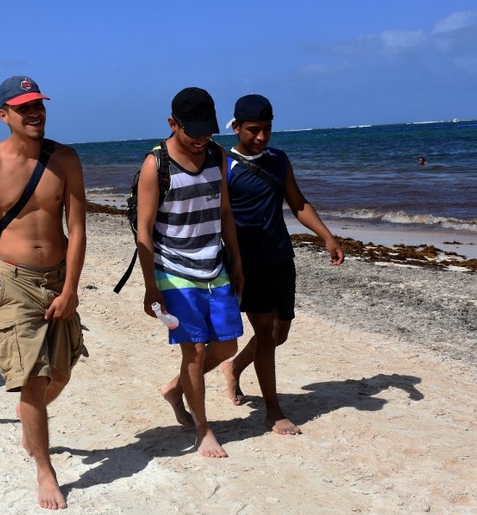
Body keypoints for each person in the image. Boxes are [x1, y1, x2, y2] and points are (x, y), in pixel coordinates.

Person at [0, 75, 87, 510]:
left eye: (38, 105)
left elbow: (78, 228)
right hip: (13, 280)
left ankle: (30, 415)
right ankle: (44, 468)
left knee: (62, 372)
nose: (35, 113)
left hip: (57, 277)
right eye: (23, 108)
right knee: (33, 380)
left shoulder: (66, 159)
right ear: (4, 116)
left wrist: (71, 288)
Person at [220, 94, 344, 435]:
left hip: (280, 256)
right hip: (248, 262)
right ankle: (273, 411)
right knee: (265, 331)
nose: (261, 137)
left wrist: (327, 236)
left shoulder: (278, 159)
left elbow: (298, 202)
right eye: (253, 130)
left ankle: (233, 368)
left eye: (267, 129)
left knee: (280, 333)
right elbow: (217, 217)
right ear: (236, 127)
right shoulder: (222, 164)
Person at [139, 87, 245, 458]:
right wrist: (151, 287)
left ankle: (175, 388)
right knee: (195, 354)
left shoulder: (217, 155)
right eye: (194, 131)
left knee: (227, 345)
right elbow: (145, 230)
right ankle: (203, 430)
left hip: (214, 266)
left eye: (208, 131)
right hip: (174, 269)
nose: (202, 139)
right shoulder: (157, 165)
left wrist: (237, 263)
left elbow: (225, 214)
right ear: (173, 124)